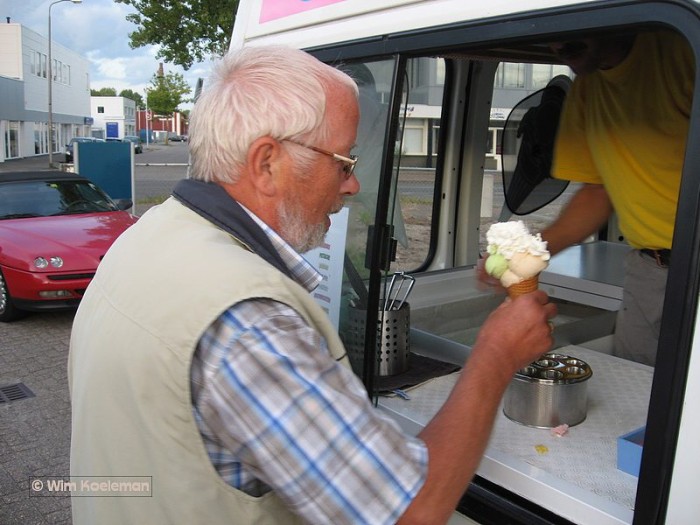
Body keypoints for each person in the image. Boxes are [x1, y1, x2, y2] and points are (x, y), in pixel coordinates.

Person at [68, 45, 556, 525]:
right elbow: (409, 513)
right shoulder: (248, 323)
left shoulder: (150, 235)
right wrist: (495, 356)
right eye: (344, 163)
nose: (353, 185)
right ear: (266, 163)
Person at [539, 29, 694, 367]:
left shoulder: (683, 46)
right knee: (638, 387)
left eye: (571, 27)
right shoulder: (586, 87)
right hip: (648, 270)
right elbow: (597, 191)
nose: (558, 44)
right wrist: (527, 253)